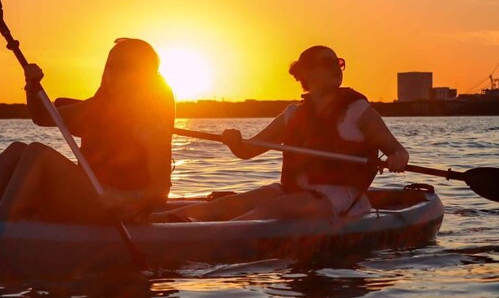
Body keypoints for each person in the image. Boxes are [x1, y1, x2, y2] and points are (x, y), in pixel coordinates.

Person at [152, 45, 409, 222]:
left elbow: (398, 151)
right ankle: (151, 222)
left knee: (270, 208)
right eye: (328, 62)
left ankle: (202, 237)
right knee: (227, 205)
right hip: (293, 190)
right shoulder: (293, 115)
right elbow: (248, 150)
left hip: (338, 196)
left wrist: (397, 158)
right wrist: (233, 141)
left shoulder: (358, 111)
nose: (337, 68)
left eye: (339, 62)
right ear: (307, 73)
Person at [0, 38, 175, 224]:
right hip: (88, 200)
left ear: (143, 75)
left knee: (37, 154)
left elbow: (160, 190)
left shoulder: (152, 110)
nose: (112, 74)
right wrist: (32, 87)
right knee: (18, 150)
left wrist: (123, 198)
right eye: (110, 66)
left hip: (120, 212)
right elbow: (44, 117)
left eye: (124, 68)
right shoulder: (102, 103)